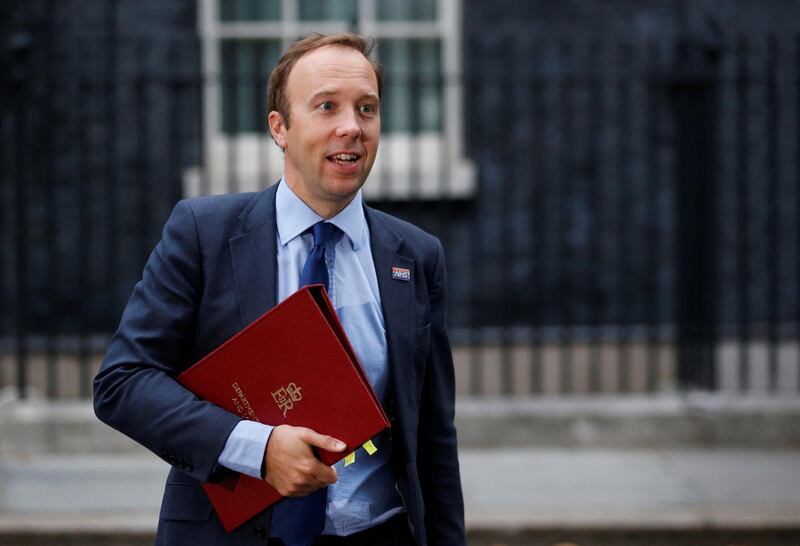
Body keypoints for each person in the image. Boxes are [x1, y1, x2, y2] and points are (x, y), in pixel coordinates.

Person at [93, 33, 465, 546]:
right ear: (279, 128)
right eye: (326, 107)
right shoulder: (203, 233)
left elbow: (433, 439)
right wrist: (258, 448)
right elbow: (123, 383)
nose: (352, 127)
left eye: (367, 108)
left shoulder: (416, 256)